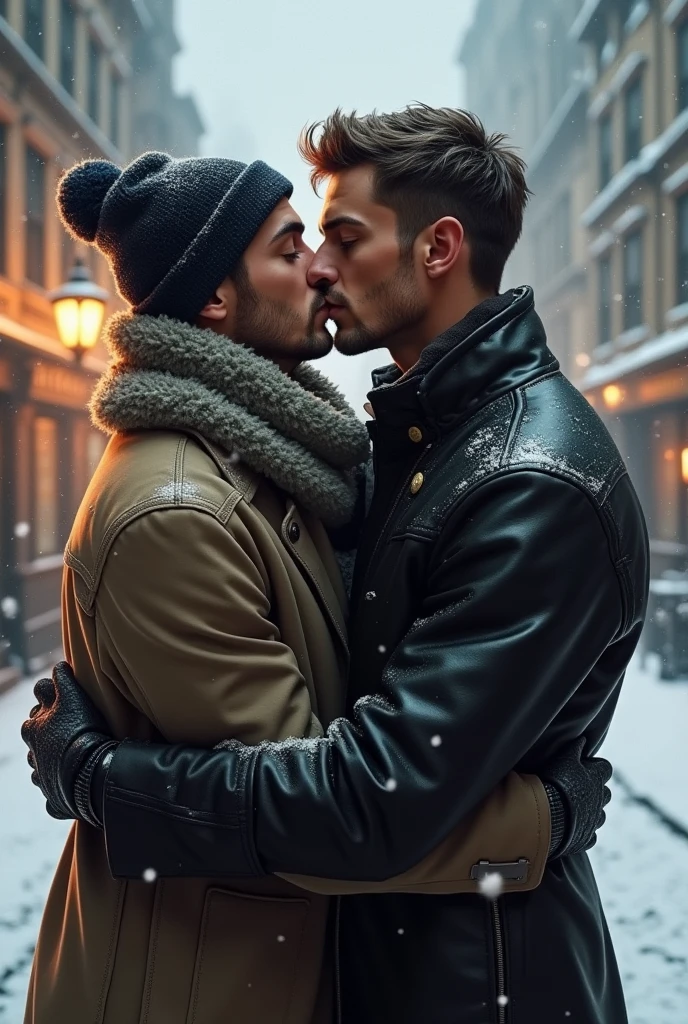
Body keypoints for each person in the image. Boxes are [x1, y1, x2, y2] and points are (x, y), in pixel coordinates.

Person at [22, 107, 637, 1024]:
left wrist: (106, 782)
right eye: (300, 244)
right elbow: (351, 794)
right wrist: (541, 819)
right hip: (349, 960)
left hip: (480, 979)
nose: (320, 266)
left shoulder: (525, 480)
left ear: (438, 249)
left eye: (342, 238)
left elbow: (360, 804)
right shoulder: (391, 451)